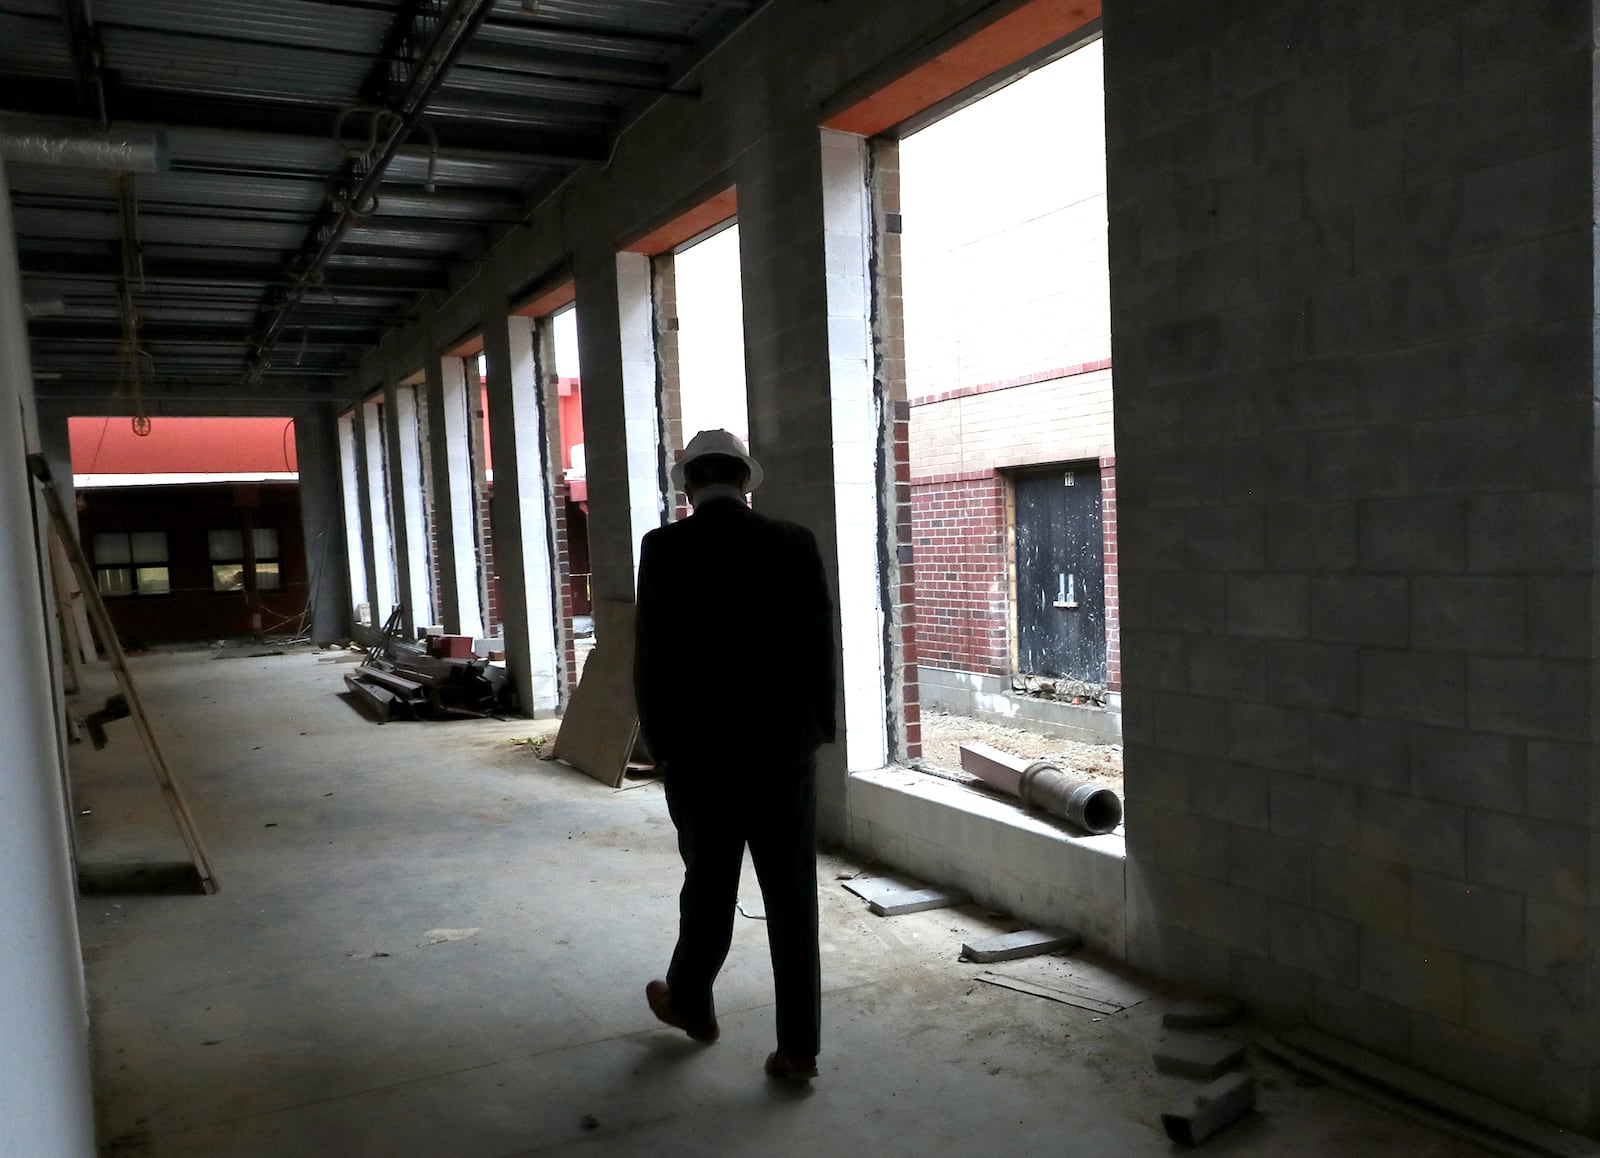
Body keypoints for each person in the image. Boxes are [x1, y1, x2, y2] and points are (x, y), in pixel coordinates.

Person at [633, 428, 837, 1084]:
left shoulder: (663, 549)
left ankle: (691, 1001)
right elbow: (817, 643)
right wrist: (816, 730)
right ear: (747, 483)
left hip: (701, 755)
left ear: (687, 486)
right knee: (793, 899)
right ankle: (797, 1050)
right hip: (784, 750)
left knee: (710, 884)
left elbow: (652, 659)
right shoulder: (794, 542)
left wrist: (662, 746)